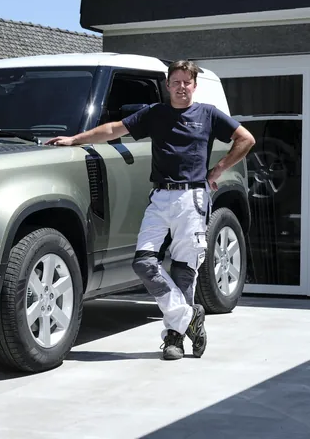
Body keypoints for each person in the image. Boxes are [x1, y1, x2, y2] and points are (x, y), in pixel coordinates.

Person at [46, 60, 255, 360]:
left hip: (192, 199)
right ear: (168, 85)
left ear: (194, 86)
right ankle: (189, 316)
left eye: (187, 82)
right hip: (160, 197)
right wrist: (75, 140)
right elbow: (114, 129)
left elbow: (246, 139)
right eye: (176, 82)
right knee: (144, 263)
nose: (181, 87)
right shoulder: (156, 113)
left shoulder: (208, 114)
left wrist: (219, 169)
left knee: (184, 270)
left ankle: (174, 339)